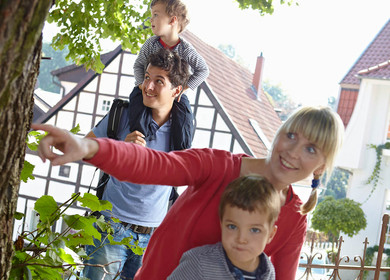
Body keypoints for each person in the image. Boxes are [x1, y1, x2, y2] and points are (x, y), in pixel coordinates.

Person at [31, 106, 344, 280]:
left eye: (311, 148)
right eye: (291, 135)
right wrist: (89, 146)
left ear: (320, 167)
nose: (292, 151)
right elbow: (155, 165)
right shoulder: (217, 166)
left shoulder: (293, 219)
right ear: (278, 134)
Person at [81, 48, 190, 279]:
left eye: (158, 81)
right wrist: (120, 151)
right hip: (111, 229)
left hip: (153, 238)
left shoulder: (182, 132)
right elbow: (84, 150)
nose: (148, 87)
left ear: (176, 91)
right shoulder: (122, 116)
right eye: (147, 78)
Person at [130, 0, 209, 150]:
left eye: (155, 15)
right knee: (135, 106)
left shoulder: (185, 49)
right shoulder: (150, 44)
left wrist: (184, 88)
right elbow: (138, 65)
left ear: (172, 20)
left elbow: (203, 70)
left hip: (175, 94)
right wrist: (142, 84)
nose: (151, 19)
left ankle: (181, 154)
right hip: (146, 88)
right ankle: (140, 143)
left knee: (185, 119)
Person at [168, 175, 280, 280]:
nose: (241, 239)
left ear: (271, 234)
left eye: (255, 230)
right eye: (232, 226)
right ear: (222, 225)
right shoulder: (198, 263)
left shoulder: (268, 271)